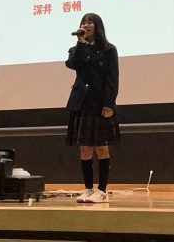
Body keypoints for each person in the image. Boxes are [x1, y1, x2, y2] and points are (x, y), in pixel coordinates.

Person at [65, 13, 119, 203]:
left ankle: (102, 191)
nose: (86, 25)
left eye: (90, 23)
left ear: (98, 26)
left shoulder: (109, 49)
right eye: (83, 22)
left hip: (100, 103)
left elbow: (112, 78)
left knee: (102, 148)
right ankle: (88, 189)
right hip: (82, 103)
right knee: (85, 149)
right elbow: (72, 64)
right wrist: (81, 42)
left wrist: (109, 104)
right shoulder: (76, 49)